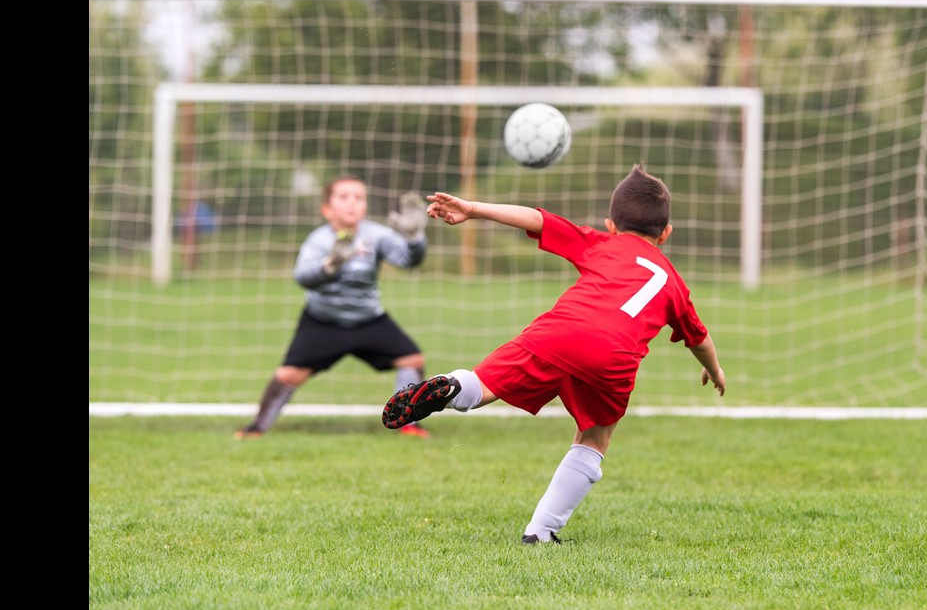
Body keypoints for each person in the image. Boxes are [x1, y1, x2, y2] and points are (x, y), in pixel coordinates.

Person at [381, 164, 726, 543]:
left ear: (611, 224)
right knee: (595, 437)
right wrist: (715, 369)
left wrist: (473, 209)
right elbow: (700, 338)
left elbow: (538, 219)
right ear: (665, 234)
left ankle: (448, 387)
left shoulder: (601, 242)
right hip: (614, 357)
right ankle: (541, 532)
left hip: (559, 332)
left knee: (483, 385)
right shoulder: (674, 283)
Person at [235, 180, 434, 439]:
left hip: (368, 320)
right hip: (323, 321)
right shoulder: (318, 240)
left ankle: (409, 424)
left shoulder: (376, 235)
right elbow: (303, 278)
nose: (352, 202)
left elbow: (409, 261)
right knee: (288, 375)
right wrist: (330, 265)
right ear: (327, 209)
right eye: (343, 196)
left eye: (358, 197)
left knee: (412, 360)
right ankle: (257, 427)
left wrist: (415, 239)